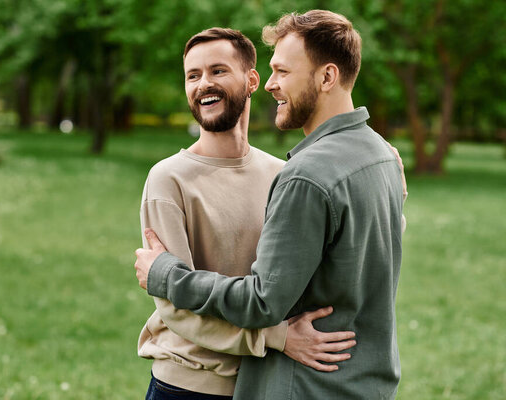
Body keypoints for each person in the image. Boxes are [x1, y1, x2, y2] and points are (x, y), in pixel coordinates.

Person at [135, 10, 407, 399]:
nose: (273, 85)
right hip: (192, 385)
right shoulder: (379, 156)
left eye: (282, 72)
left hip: (301, 382)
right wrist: (277, 338)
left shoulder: (297, 174)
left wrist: (166, 274)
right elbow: (175, 311)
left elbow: (264, 299)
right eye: (192, 75)